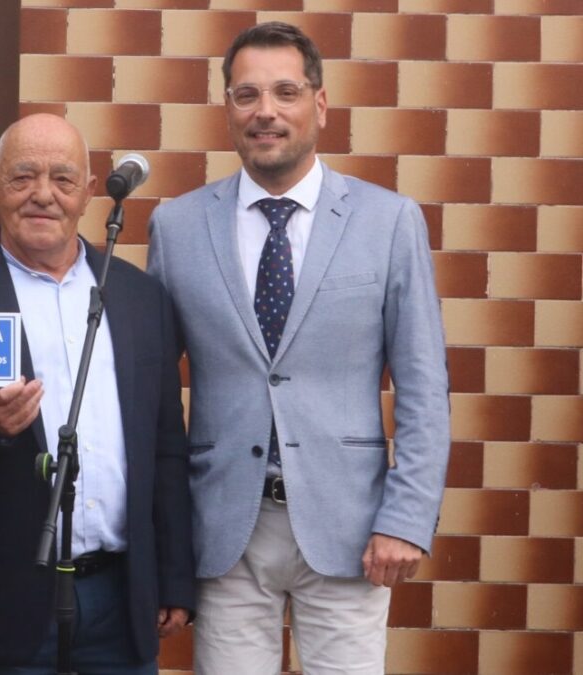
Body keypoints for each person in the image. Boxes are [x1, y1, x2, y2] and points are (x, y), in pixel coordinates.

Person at [146, 22, 450, 674]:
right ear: (227, 107)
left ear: (320, 104)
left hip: (350, 528)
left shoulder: (389, 221)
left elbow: (425, 386)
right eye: (247, 94)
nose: (266, 111)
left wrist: (406, 517)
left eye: (285, 92)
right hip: (226, 528)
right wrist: (163, 538)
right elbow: (152, 396)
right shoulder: (176, 226)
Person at [0, 113, 195, 674]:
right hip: (0, 606)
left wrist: (172, 575)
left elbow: (164, 443)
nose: (43, 195)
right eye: (23, 178)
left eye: (63, 180)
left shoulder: (140, 299)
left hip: (121, 597)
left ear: (90, 193)